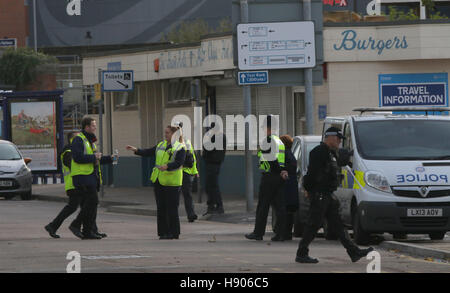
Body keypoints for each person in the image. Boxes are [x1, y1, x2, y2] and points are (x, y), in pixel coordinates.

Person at [296, 127, 374, 263]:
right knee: (313, 224)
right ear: (330, 137)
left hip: (327, 194)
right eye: (338, 139)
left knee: (338, 225)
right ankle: (301, 253)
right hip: (320, 194)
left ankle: (354, 252)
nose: (339, 142)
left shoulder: (331, 153)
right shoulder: (319, 152)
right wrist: (309, 190)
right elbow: (312, 174)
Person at [126, 125, 186, 239]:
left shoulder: (180, 147)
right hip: (159, 180)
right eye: (165, 132)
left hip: (172, 182)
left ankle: (173, 232)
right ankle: (163, 232)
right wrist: (136, 150)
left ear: (174, 134)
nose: (165, 134)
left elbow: (179, 162)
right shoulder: (161, 145)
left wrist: (168, 166)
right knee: (161, 207)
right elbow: (149, 152)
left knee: (171, 208)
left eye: (167, 133)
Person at [245, 115, 289, 242]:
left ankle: (258, 233)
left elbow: (272, 159)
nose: (263, 129)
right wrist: (282, 171)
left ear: (269, 128)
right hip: (279, 178)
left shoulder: (268, 140)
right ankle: (281, 234)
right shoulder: (279, 141)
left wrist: (278, 171)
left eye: (264, 127)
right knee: (279, 207)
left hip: (269, 177)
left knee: (263, 206)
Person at [70, 117, 114, 240]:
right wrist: (93, 157)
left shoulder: (90, 141)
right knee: (92, 201)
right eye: (93, 126)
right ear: (87, 127)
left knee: (90, 204)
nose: (95, 128)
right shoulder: (79, 140)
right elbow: (77, 158)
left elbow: (96, 159)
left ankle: (88, 231)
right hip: (82, 177)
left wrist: (110, 158)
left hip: (90, 176)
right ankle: (76, 224)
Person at [44, 131, 80, 238]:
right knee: (75, 207)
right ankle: (54, 226)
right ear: (72, 139)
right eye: (77, 138)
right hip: (73, 184)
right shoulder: (68, 151)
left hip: (77, 183)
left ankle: (53, 226)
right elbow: (72, 165)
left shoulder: (73, 150)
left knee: (84, 206)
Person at [175, 122, 199, 223]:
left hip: (185, 172)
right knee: (176, 195)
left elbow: (192, 157)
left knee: (187, 194)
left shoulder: (186, 141)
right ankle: (173, 215)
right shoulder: (171, 142)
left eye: (179, 128)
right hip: (175, 173)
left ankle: (191, 214)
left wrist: (195, 171)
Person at [203, 122, 226, 215]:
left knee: (212, 186)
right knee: (210, 185)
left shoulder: (216, 137)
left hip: (212, 163)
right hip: (215, 163)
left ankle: (217, 206)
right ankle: (212, 206)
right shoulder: (220, 136)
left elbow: (208, 148)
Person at [279, 134, 299, 241]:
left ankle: (284, 233)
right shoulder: (291, 154)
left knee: (284, 209)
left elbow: (281, 167)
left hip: (286, 184)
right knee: (290, 210)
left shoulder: (284, 154)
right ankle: (287, 233)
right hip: (292, 184)